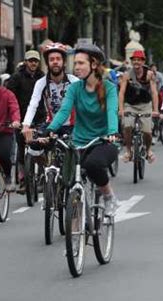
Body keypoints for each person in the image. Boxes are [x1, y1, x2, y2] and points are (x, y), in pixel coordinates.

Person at [45, 44, 119, 214]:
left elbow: (112, 112)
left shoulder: (108, 88)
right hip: (78, 143)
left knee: (93, 165)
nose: (76, 67)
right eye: (75, 63)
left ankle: (109, 197)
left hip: (103, 141)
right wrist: (49, 129)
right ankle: (77, 223)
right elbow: (64, 111)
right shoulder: (74, 88)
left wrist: (113, 132)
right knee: (68, 179)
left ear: (93, 65)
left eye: (81, 63)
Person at [22, 43, 79, 141]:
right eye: (52, 59)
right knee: (33, 148)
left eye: (58, 59)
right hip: (50, 126)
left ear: (64, 62)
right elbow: (33, 105)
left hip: (72, 127)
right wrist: (26, 125)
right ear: (47, 63)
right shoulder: (41, 83)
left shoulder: (74, 81)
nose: (55, 62)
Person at [6, 49, 45, 188]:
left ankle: (41, 177)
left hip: (40, 117)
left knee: (41, 146)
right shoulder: (17, 77)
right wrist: (12, 116)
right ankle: (22, 179)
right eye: (31, 61)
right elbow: (9, 96)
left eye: (35, 61)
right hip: (21, 118)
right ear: (26, 62)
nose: (33, 63)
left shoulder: (43, 77)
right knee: (21, 147)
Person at [118, 50, 159, 163]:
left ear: (143, 61)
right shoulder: (127, 75)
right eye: (134, 60)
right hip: (130, 105)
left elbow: (154, 93)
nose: (136, 62)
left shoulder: (149, 74)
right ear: (131, 61)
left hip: (145, 105)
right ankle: (128, 151)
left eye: (139, 60)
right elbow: (121, 93)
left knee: (147, 130)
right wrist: (121, 109)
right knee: (127, 125)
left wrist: (155, 110)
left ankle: (148, 150)